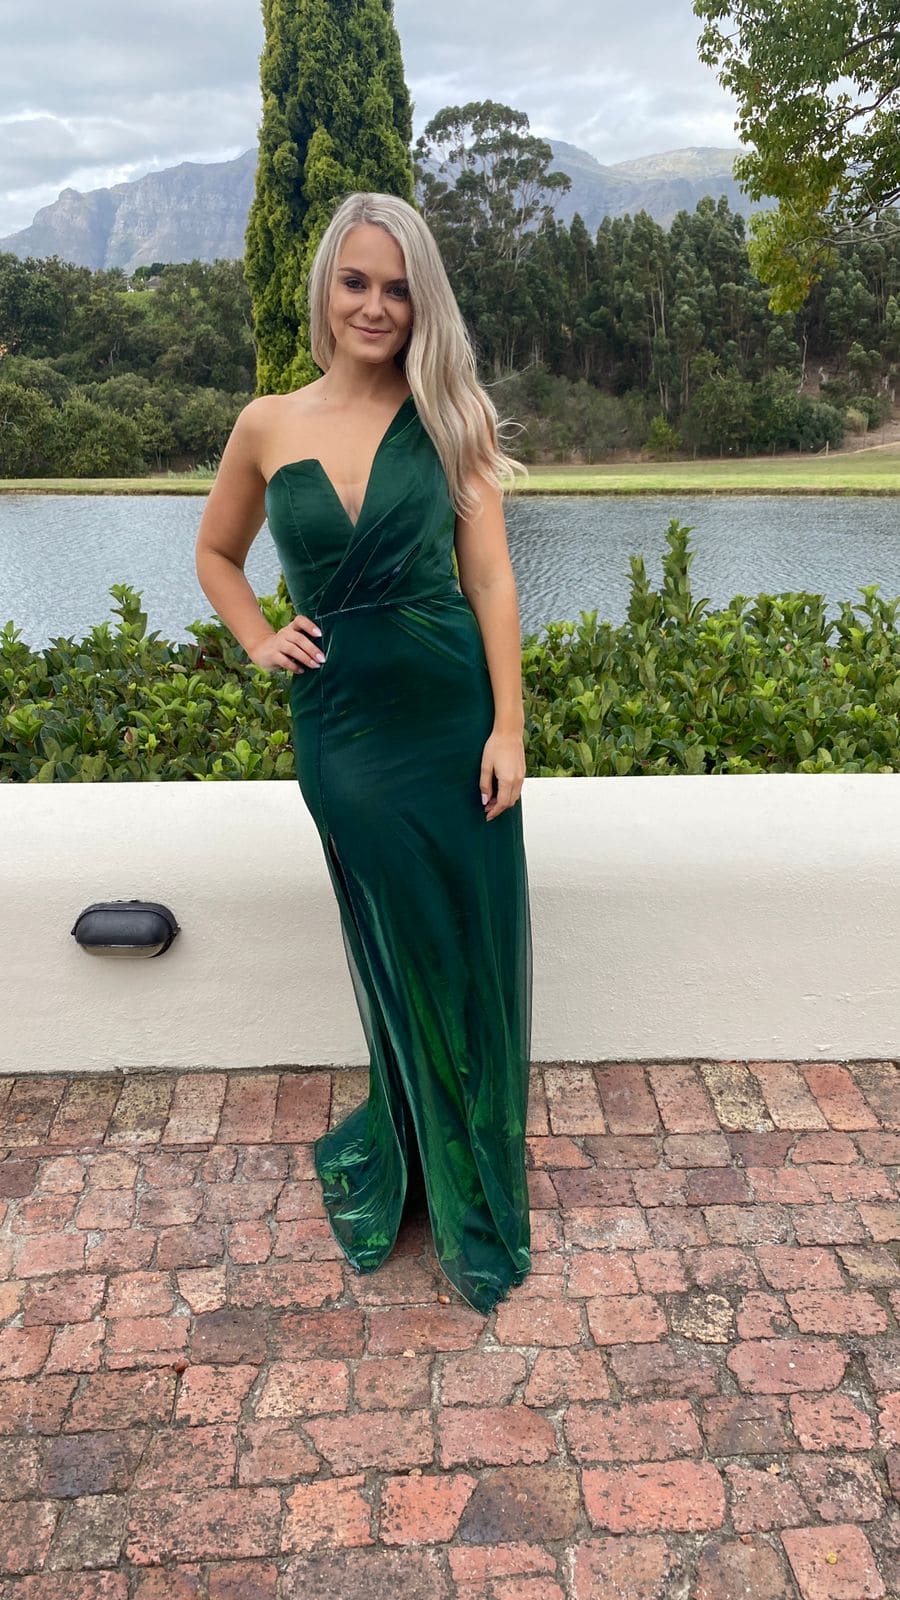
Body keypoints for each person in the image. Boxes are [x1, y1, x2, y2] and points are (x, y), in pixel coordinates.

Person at [194, 190, 533, 1315]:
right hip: (340, 734)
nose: (377, 306)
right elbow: (215, 551)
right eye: (357, 282)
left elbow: (487, 578)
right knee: (401, 943)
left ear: (420, 296)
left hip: (448, 719)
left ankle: (465, 1162)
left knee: (462, 945)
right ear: (324, 291)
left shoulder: (453, 413)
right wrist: (256, 635)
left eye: (398, 286)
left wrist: (510, 725)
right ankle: (422, 1148)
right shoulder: (266, 423)